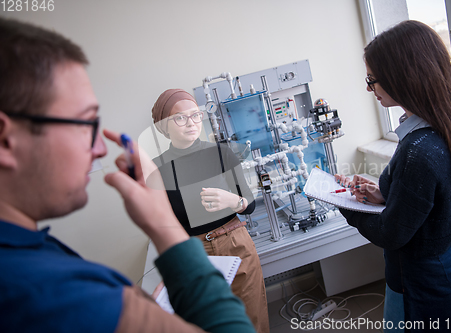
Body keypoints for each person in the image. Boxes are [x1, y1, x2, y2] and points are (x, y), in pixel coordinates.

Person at [0, 17, 256, 333]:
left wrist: (238, 201)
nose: (99, 150)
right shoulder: (56, 293)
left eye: (196, 116)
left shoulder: (38, 253)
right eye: (85, 124)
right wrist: (173, 249)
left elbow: (250, 199)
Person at [335, 20, 451, 332]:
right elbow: (429, 200)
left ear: (402, 77)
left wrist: (342, 203)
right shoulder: (442, 127)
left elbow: (390, 233)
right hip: (445, 268)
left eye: (372, 80)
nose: (369, 89)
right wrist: (386, 193)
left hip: (421, 282)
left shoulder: (419, 149)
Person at [150, 89, 270, 333]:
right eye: (180, 118)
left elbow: (250, 202)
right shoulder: (157, 170)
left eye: (195, 115)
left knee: (252, 320)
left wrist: (232, 200)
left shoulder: (222, 153)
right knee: (209, 325)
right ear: (164, 126)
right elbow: (163, 225)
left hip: (236, 243)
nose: (191, 123)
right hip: (195, 253)